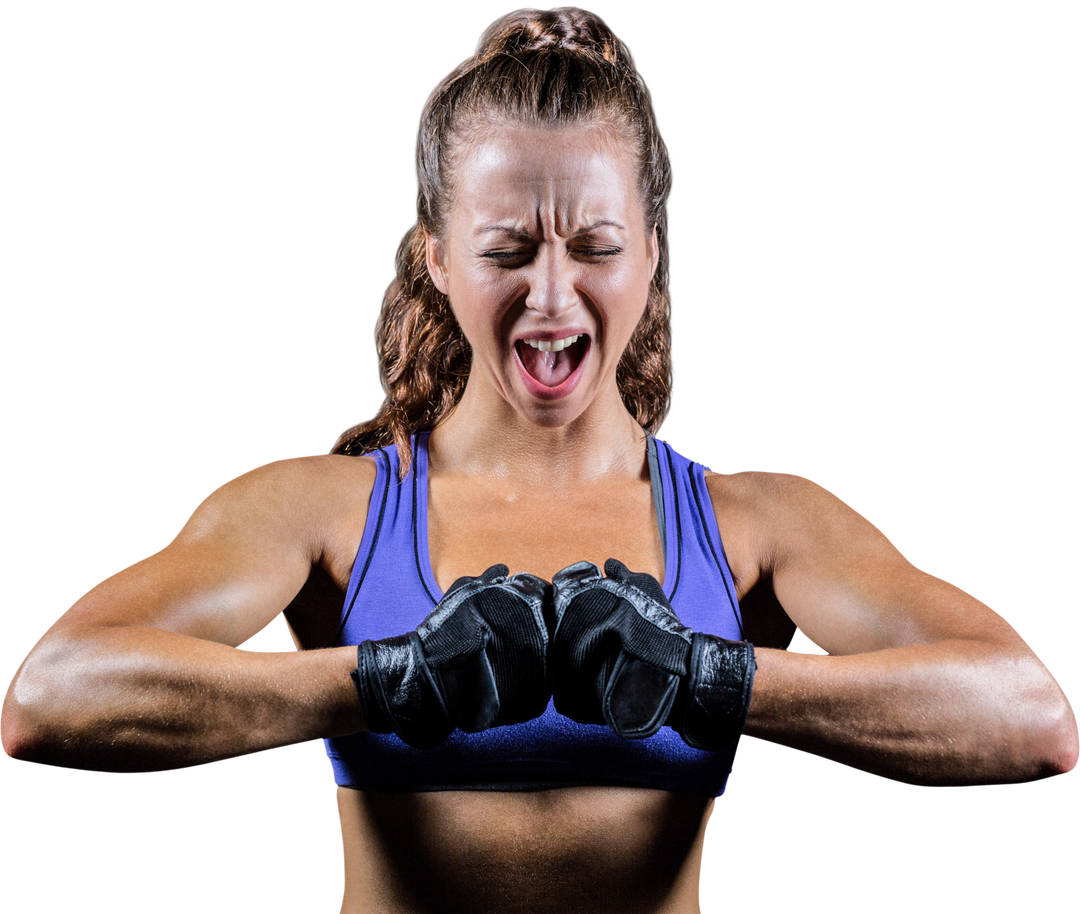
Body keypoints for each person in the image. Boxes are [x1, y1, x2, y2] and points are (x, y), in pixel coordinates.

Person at [3, 5, 1077, 913]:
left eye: (597, 247)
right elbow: (51, 695)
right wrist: (383, 679)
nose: (554, 295)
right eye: (507, 249)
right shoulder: (325, 508)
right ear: (434, 256)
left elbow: (1030, 716)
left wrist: (717, 678)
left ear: (652, 255)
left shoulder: (755, 521)